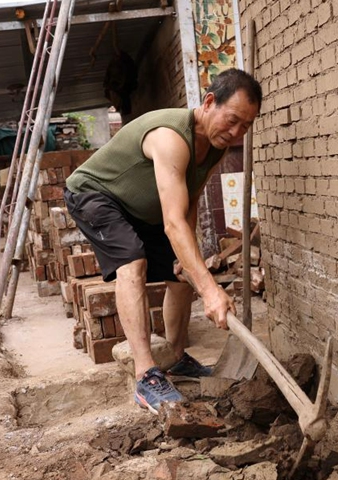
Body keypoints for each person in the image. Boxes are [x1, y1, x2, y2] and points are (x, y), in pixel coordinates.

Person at [64, 68, 262, 413]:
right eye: (232, 120)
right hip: (95, 195)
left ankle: (173, 356)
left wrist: (193, 267)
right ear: (210, 102)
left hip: (141, 209)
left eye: (245, 126)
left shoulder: (213, 147)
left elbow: (187, 209)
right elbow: (172, 223)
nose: (235, 133)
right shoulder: (171, 137)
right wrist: (211, 289)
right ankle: (146, 376)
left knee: (183, 273)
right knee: (132, 262)